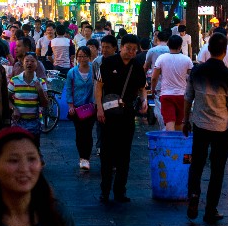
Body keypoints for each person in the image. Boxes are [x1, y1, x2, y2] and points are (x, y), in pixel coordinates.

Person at [184, 33, 228, 224]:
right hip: (222, 127)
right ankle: (210, 209)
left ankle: (193, 195)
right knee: (217, 169)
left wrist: (185, 120)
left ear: (208, 50)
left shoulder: (196, 72)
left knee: (197, 163)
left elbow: (188, 97)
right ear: (225, 52)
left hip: (199, 125)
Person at [94, 34, 147, 204]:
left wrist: (144, 100)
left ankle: (120, 191)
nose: (131, 52)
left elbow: (142, 87)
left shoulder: (137, 66)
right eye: (128, 48)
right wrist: (99, 108)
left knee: (124, 154)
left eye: (134, 49)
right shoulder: (108, 63)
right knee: (107, 153)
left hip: (127, 114)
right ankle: (105, 189)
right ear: (121, 47)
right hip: (108, 115)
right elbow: (99, 87)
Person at [151, 35, 195, 131]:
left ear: (168, 45)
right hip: (182, 96)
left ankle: (169, 145)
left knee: (169, 123)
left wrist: (153, 89)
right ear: (180, 46)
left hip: (166, 95)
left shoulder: (161, 58)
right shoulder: (187, 60)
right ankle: (178, 144)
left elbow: (154, 77)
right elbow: (192, 78)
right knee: (179, 123)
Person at [65, 46, 96, 171]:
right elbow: (68, 89)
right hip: (77, 108)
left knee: (88, 132)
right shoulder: (72, 72)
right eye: (80, 56)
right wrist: (70, 105)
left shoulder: (94, 72)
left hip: (90, 107)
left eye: (84, 56)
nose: (82, 58)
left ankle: (86, 158)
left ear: (89, 57)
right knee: (79, 133)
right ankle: (82, 157)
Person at [8, 54, 48, 147]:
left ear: (37, 64)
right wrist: (14, 109)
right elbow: (6, 99)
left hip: (34, 123)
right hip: (18, 122)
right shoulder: (15, 80)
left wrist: (40, 90)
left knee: (34, 149)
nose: (29, 63)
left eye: (32, 61)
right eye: (27, 61)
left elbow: (45, 103)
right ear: (23, 63)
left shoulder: (41, 82)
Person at [144, 31, 171, 130]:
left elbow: (146, 66)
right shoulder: (171, 50)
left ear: (157, 39)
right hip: (171, 84)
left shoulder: (152, 50)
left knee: (159, 108)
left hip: (158, 84)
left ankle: (164, 128)